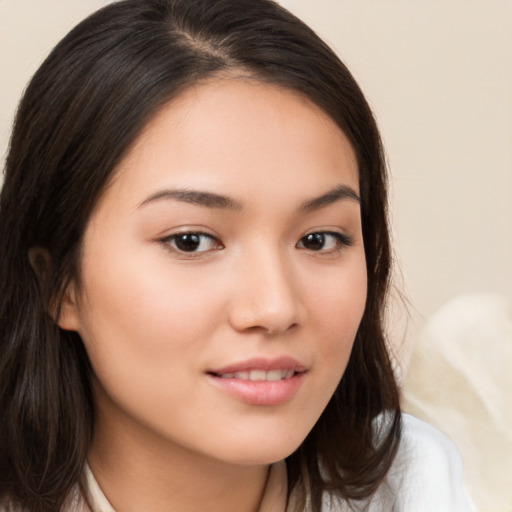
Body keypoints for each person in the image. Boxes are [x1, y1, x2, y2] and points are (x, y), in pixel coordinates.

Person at [0, 1, 470, 511]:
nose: (275, 308)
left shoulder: (418, 487)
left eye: (319, 239)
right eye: (191, 241)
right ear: (57, 283)